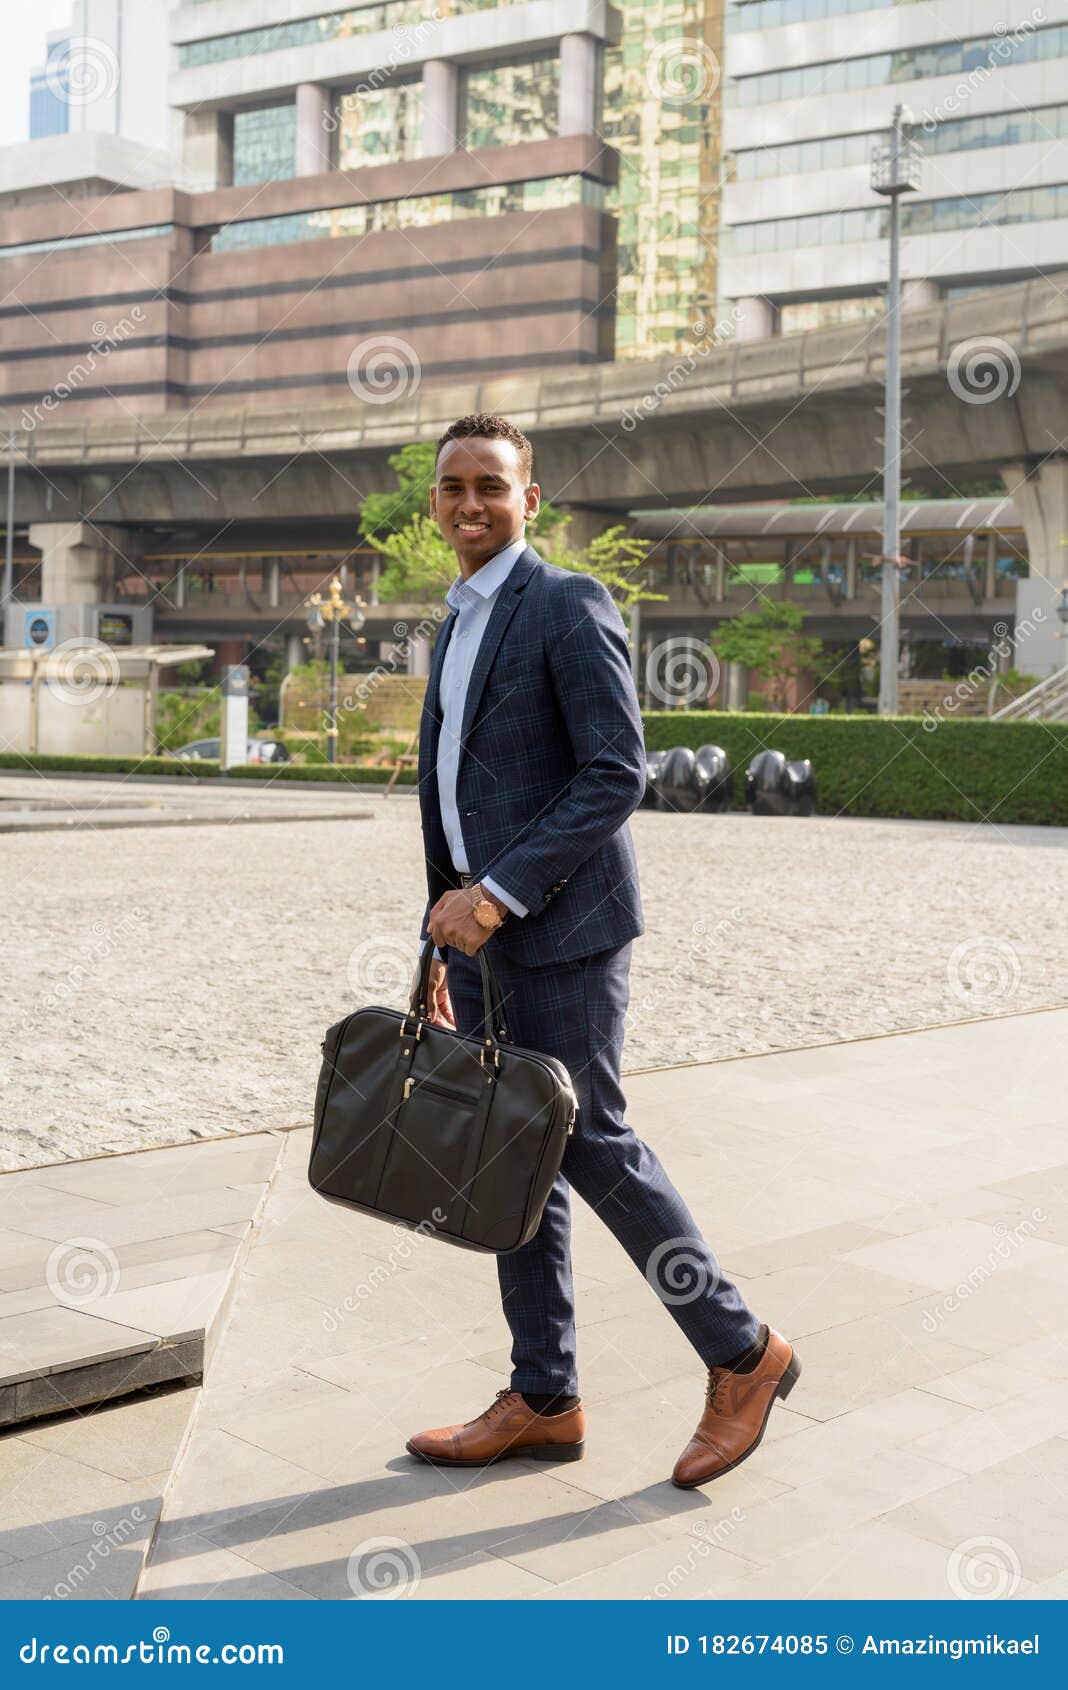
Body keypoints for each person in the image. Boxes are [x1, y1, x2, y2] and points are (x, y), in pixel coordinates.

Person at [406, 413, 800, 1487]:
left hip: (564, 928)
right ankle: (545, 1394)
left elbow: (616, 770)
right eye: (453, 487)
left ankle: (742, 1353)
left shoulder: (568, 602)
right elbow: (454, 796)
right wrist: (445, 928)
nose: (471, 503)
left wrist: (498, 894)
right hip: (479, 936)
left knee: (589, 1142)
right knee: (508, 1149)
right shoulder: (453, 621)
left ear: (532, 500)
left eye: (492, 484)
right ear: (434, 503)